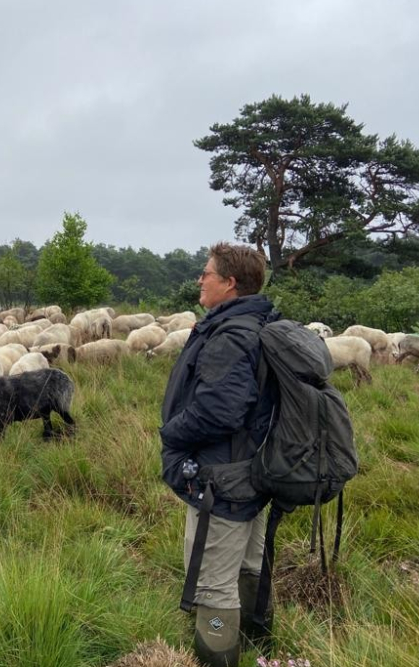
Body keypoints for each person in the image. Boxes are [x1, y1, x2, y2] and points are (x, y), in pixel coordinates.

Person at [159, 242, 279, 667]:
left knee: (213, 583)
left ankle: (220, 655)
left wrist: (171, 433)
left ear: (229, 283)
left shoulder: (232, 336)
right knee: (248, 563)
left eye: (206, 273)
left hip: (222, 479)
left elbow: (219, 409)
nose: (199, 279)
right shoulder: (259, 324)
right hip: (252, 472)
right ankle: (257, 644)